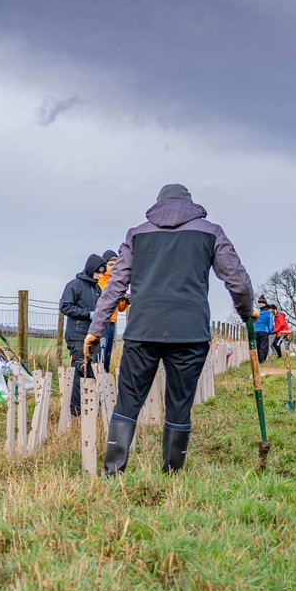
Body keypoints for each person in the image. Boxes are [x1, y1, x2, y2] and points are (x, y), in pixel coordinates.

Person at [85, 184, 253, 475]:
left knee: (128, 401)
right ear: (190, 203)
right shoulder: (211, 232)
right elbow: (237, 281)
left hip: (143, 330)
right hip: (190, 333)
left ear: (158, 204)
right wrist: (246, 311)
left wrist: (96, 328)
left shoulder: (136, 234)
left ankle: (114, 471)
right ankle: (172, 472)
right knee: (179, 403)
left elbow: (115, 286)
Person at [60, 253, 107, 416]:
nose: (100, 275)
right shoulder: (74, 285)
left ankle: (89, 405)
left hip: (92, 335)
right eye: (98, 272)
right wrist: (88, 314)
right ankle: (76, 409)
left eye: (102, 272)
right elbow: (65, 307)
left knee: (88, 369)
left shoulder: (97, 289)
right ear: (90, 269)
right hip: (77, 334)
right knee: (80, 369)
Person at [96, 248, 129, 371]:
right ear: (104, 265)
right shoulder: (99, 281)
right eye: (110, 264)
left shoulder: (117, 282)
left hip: (112, 323)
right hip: (101, 322)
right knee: (100, 355)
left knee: (107, 356)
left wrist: (126, 301)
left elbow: (120, 308)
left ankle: (105, 378)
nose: (113, 267)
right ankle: (97, 377)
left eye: (116, 265)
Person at [253, 299, 273, 363]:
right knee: (263, 347)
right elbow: (270, 325)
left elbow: (253, 323)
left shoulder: (257, 314)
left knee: (257, 346)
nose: (259, 304)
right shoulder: (269, 314)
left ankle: (257, 361)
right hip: (264, 331)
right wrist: (269, 332)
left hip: (255, 331)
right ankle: (262, 361)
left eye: (260, 303)